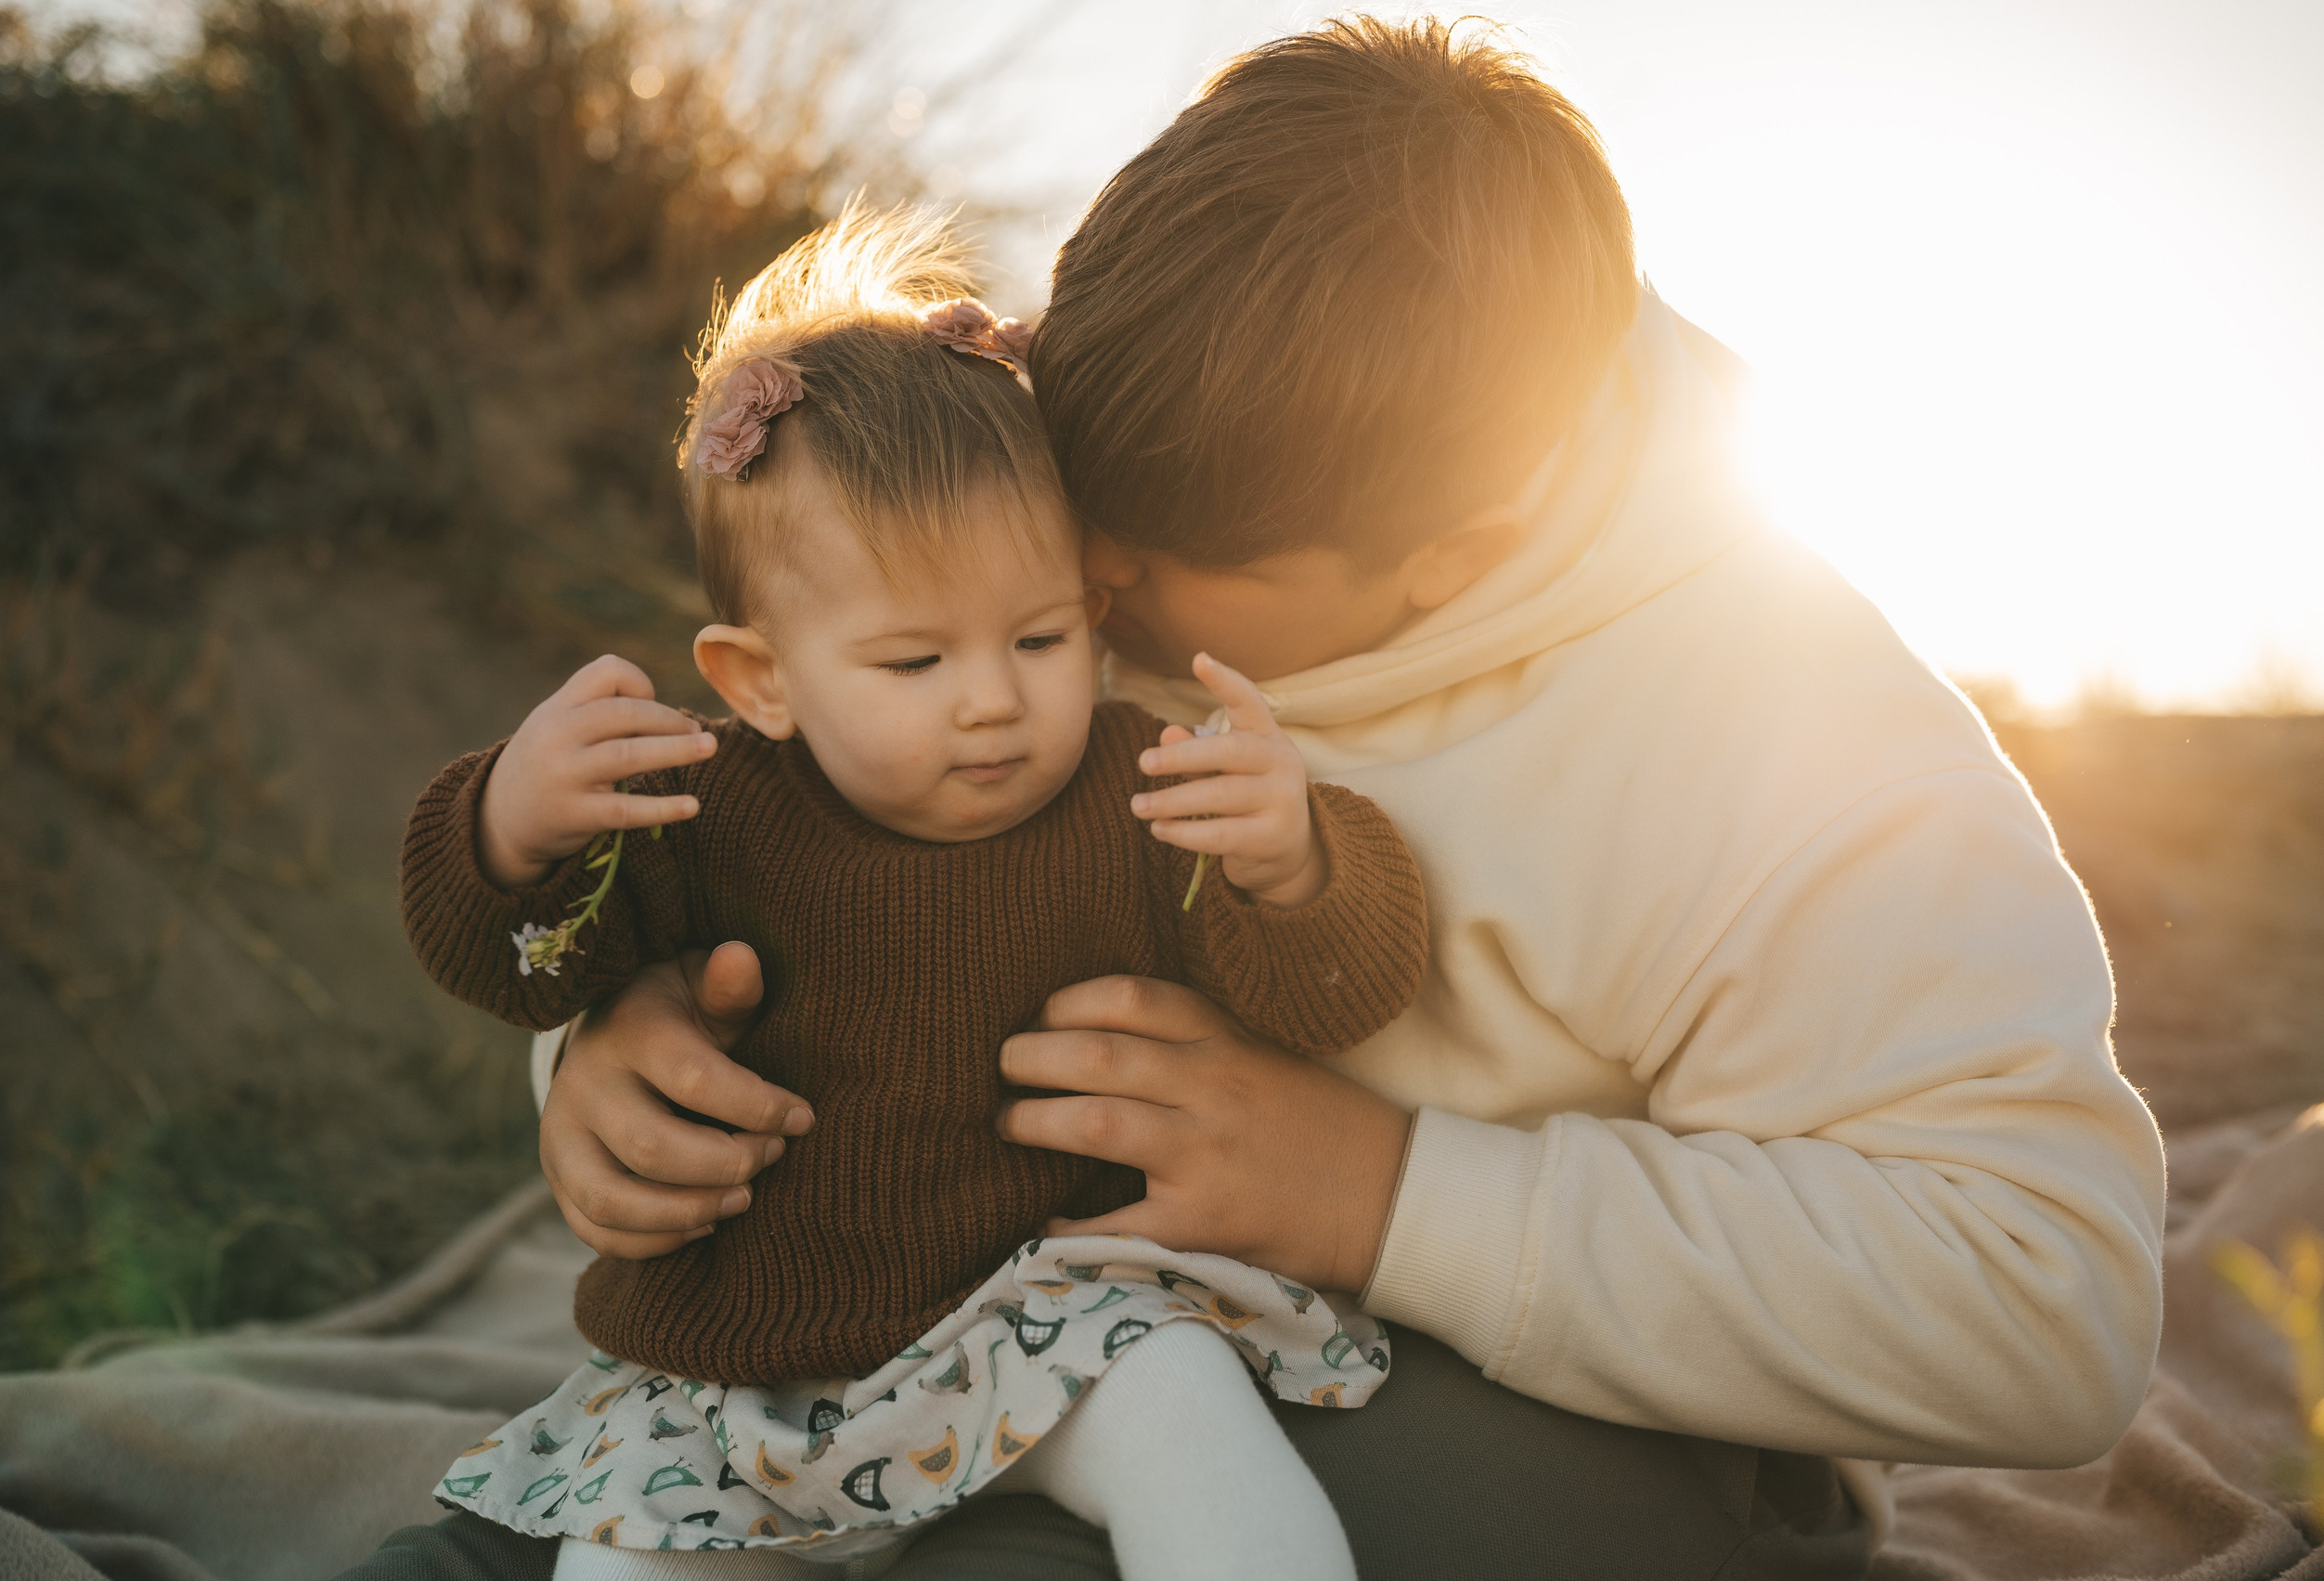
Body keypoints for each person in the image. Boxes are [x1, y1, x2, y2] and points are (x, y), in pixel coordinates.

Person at [355, 16, 2165, 1581]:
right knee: (533, 1537)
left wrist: (1380, 1193)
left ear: (1456, 554)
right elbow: (808, 804)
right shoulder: (1164, 391)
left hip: (1554, 1409)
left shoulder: (1798, 746)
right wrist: (607, 1060)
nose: (1084, 617)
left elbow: (2040, 1304)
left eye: (1137, 574)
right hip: (954, 1281)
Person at [389, 205, 1427, 1580]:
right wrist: (507, 834)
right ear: (762, 680)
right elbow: (522, 965)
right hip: (747, 1362)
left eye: (1040, 636)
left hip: (1050, 1312)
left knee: (1188, 1415)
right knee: (625, 1553)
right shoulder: (708, 809)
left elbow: (1336, 994)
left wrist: (1295, 861)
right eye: (912, 664)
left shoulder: (1135, 786)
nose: (995, 702)